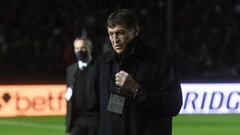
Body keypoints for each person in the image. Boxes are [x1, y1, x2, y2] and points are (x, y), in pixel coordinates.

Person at [87, 9, 183, 135]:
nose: (115, 40)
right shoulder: (102, 64)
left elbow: (173, 105)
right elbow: (93, 110)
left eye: (120, 33)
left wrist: (137, 89)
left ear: (136, 31)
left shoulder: (160, 62)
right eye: (111, 34)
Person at [65, 36, 96, 135]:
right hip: (77, 120)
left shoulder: (98, 68)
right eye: (77, 48)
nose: (79, 51)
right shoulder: (71, 70)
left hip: (95, 119)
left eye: (83, 48)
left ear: (90, 48)